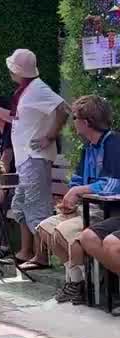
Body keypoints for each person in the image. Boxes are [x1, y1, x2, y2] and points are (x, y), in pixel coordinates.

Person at [0, 50, 68, 270]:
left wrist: (50, 136)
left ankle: (41, 256)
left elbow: (63, 109)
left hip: (34, 158)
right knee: (20, 205)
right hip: (25, 160)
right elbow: (15, 118)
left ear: (18, 70)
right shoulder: (25, 91)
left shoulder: (37, 88)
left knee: (36, 207)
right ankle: (26, 251)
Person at [33, 96, 120, 305]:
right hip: (86, 207)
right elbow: (78, 180)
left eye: (74, 118)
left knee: (63, 231)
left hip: (106, 210)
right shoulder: (87, 147)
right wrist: (70, 198)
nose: (72, 123)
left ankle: (83, 285)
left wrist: (80, 191)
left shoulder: (113, 144)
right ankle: (76, 282)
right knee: (45, 227)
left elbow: (114, 184)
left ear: (86, 122)